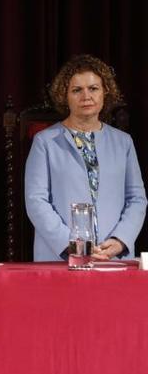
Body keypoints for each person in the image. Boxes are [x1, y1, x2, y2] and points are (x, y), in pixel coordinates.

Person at [25, 54, 146, 261]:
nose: (86, 96)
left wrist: (120, 240)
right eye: (77, 90)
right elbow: (36, 202)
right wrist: (73, 245)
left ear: (105, 92)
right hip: (62, 258)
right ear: (65, 95)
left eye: (93, 88)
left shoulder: (123, 142)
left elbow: (137, 199)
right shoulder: (44, 142)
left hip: (113, 258)